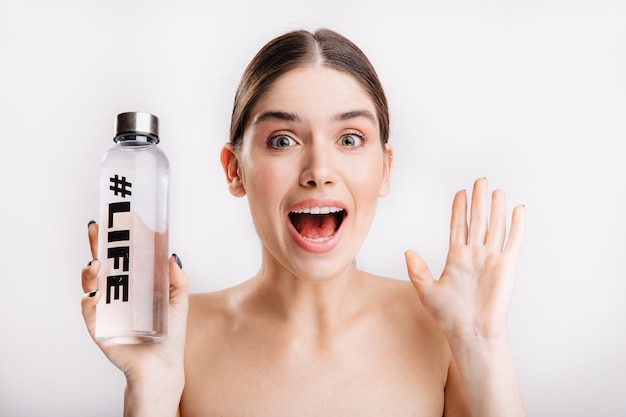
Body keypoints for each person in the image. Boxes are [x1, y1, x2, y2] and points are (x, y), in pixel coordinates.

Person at [81, 28, 526, 417]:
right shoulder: (174, 339)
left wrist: (482, 345)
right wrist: (152, 388)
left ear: (386, 169)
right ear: (234, 169)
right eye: (283, 139)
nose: (319, 169)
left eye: (350, 139)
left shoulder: (446, 331)